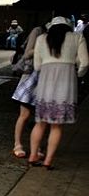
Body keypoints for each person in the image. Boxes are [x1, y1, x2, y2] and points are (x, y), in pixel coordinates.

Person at [29, 15, 89, 169]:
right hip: (66, 82)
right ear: (68, 27)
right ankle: (48, 160)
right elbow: (85, 63)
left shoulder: (42, 38)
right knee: (56, 126)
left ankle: (33, 155)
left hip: (46, 81)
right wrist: (78, 74)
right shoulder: (77, 37)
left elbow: (36, 66)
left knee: (40, 122)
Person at [10, 23, 46, 159]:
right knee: (24, 115)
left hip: (46, 77)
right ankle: (17, 144)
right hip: (30, 74)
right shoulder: (38, 30)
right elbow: (27, 54)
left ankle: (37, 147)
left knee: (41, 117)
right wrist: (43, 49)